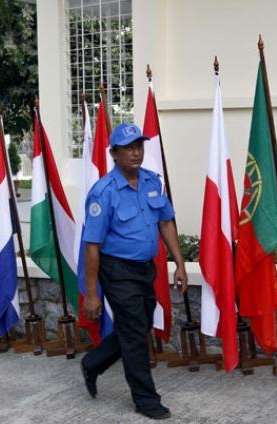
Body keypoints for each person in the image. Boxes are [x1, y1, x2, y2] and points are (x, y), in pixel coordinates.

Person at [80, 122, 188, 420]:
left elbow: (165, 222)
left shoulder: (152, 182)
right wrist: (92, 294)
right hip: (116, 270)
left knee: (136, 327)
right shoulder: (103, 192)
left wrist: (179, 264)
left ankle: (93, 363)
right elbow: (92, 246)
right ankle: (146, 399)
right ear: (114, 154)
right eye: (128, 148)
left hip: (145, 269)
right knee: (134, 333)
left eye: (139, 146)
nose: (136, 152)